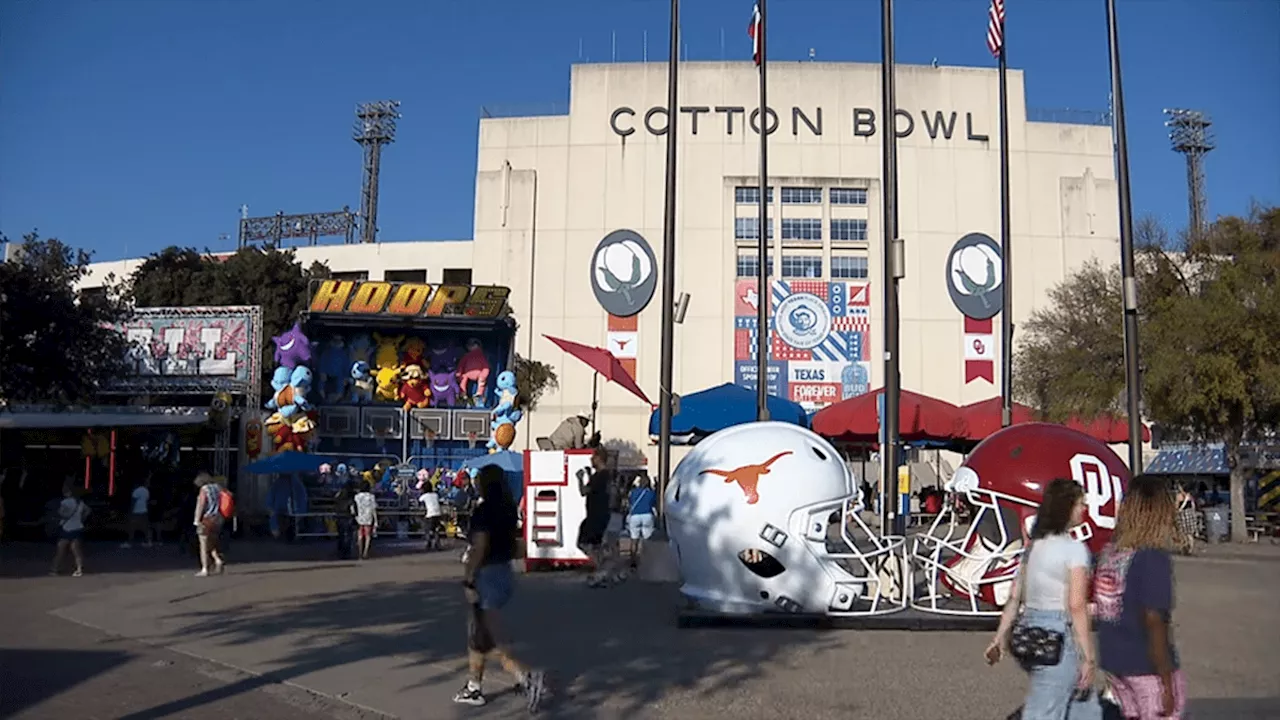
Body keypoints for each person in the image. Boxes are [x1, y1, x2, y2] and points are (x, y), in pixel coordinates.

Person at [985, 478, 1101, 720]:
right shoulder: (1075, 550)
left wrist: (999, 638)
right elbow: (1076, 605)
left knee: (1083, 708)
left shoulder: (1034, 547)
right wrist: (1088, 656)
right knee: (1046, 710)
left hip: (1030, 632)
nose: (1084, 509)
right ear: (1066, 507)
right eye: (1080, 504)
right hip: (1058, 637)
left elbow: (1015, 597)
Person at [454, 465, 547, 711]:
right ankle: (474, 686)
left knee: (488, 637)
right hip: (505, 571)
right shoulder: (508, 509)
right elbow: (521, 546)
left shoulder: (483, 511)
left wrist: (469, 577)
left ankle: (525, 674)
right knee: (479, 634)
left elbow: (480, 547)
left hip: (487, 574)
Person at [1095, 475, 1186, 719]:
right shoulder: (1152, 558)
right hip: (1146, 664)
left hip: (1115, 661)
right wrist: (1165, 678)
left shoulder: (1109, 553)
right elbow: (1153, 618)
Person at [577, 447, 616, 588]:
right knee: (596, 544)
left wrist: (580, 479)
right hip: (602, 514)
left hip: (595, 515)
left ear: (599, 458)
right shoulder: (606, 476)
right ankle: (603, 572)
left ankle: (602, 569)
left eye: (593, 457)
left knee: (584, 542)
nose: (591, 459)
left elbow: (584, 491)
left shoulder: (599, 476)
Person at [50, 482, 89, 577]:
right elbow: (88, 510)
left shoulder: (64, 502)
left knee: (60, 550)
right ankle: (79, 569)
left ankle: (55, 569)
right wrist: (81, 518)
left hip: (66, 528)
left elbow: (61, 513)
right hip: (77, 527)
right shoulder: (80, 502)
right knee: (76, 550)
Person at [193, 473, 226, 576]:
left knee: (203, 543)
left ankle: (205, 569)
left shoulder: (204, 489)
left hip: (208, 518)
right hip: (219, 518)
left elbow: (201, 504)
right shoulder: (218, 488)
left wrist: (197, 520)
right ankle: (218, 560)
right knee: (212, 542)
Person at [624, 474, 658, 571]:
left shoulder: (634, 492)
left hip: (635, 516)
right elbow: (653, 503)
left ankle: (633, 562)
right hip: (647, 515)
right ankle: (647, 561)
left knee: (634, 540)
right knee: (647, 540)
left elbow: (630, 502)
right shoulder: (650, 492)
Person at [122, 476, 153, 548]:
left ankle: (129, 542)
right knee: (146, 527)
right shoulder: (146, 490)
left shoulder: (136, 491)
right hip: (144, 510)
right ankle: (149, 541)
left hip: (136, 511)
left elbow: (133, 502)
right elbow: (146, 500)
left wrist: (130, 511)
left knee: (132, 527)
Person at [354, 480, 378, 560]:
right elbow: (373, 509)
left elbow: (355, 507)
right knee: (368, 535)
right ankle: (365, 552)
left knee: (360, 535)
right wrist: (376, 520)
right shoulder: (371, 496)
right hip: (368, 516)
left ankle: (360, 552)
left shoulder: (357, 496)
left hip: (359, 516)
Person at [334, 481, 356, 560]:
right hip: (347, 517)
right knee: (348, 536)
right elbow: (352, 510)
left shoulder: (338, 496)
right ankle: (346, 552)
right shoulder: (350, 498)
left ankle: (340, 551)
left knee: (341, 535)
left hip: (339, 516)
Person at [420, 480, 443, 551]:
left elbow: (420, 503)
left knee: (427, 529)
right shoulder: (435, 495)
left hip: (430, 514)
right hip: (438, 514)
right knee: (436, 529)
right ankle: (437, 544)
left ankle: (428, 543)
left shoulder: (424, 496)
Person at [1174, 484, 1197, 556]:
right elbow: (1193, 506)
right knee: (1190, 534)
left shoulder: (1179, 496)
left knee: (1182, 532)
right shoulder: (1189, 496)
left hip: (1182, 515)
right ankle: (1190, 549)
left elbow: (1176, 506)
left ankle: (1184, 548)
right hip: (1190, 514)